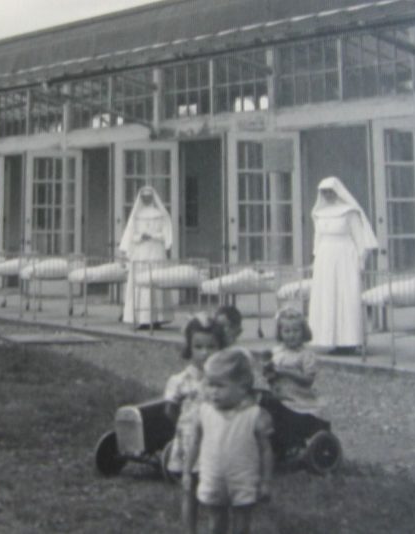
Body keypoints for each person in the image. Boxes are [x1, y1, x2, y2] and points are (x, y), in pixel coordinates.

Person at [183, 348, 273, 534]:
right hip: (213, 476)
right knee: (215, 521)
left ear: (242, 387)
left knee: (242, 523)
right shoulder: (204, 412)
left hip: (242, 478)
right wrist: (187, 470)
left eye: (220, 386)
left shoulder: (253, 415)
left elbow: (266, 450)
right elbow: (195, 442)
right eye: (210, 384)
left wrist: (265, 481)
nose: (213, 392)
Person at [163, 314, 225, 534]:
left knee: (215, 494)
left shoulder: (222, 381)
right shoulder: (181, 380)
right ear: (189, 348)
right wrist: (184, 428)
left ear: (221, 348)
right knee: (189, 491)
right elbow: (170, 409)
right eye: (198, 347)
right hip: (190, 442)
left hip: (215, 444)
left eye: (211, 347)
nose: (205, 353)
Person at [307, 177, 377, 354]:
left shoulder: (349, 212)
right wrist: (315, 259)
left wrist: (361, 260)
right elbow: (317, 238)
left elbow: (359, 239)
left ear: (338, 192)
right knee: (327, 296)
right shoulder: (319, 213)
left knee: (346, 296)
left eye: (331, 192)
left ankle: (350, 341)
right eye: (324, 192)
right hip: (325, 258)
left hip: (345, 256)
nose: (328, 195)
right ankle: (329, 339)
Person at [260, 307, 323, 457]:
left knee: (287, 419)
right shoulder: (277, 352)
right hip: (280, 395)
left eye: (296, 331)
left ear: (303, 332)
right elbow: (271, 376)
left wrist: (286, 372)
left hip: (298, 400)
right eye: (287, 331)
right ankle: (273, 445)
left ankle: (293, 446)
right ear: (280, 333)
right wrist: (269, 372)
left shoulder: (306, 355)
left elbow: (308, 380)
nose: (291, 335)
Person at [119, 186, 174, 328]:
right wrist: (140, 237)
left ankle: (157, 318)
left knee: (156, 280)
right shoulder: (136, 216)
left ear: (153, 198)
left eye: (149, 197)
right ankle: (141, 318)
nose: (146, 199)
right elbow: (131, 235)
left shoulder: (160, 215)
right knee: (140, 282)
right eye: (144, 197)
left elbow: (165, 234)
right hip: (141, 252)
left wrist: (153, 235)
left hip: (156, 251)